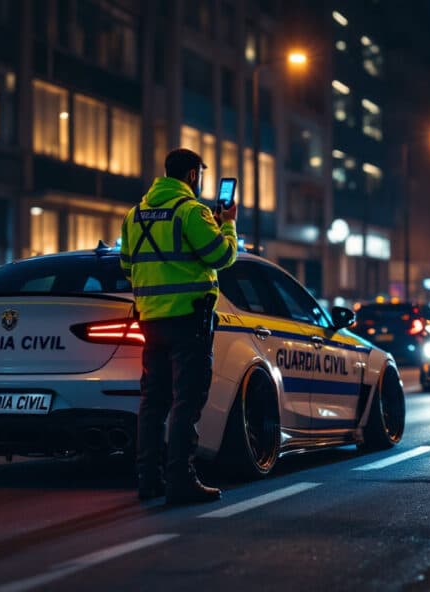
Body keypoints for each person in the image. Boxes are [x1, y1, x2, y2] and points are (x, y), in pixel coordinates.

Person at [120, 148, 238, 504]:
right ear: (191, 176)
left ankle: (148, 480)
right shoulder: (191, 212)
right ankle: (181, 481)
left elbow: (127, 266)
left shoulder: (134, 215)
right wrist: (228, 223)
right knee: (186, 401)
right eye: (199, 175)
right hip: (190, 320)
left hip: (151, 320)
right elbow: (222, 256)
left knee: (152, 402)